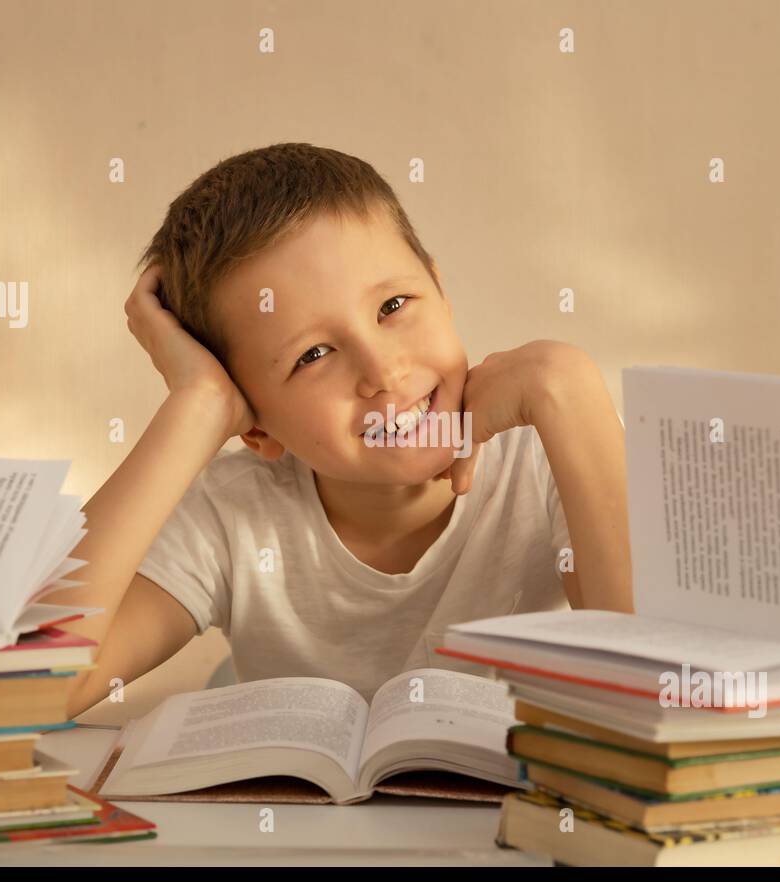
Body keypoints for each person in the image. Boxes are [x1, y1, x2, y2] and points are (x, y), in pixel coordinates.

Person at [59, 143, 630, 719]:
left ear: (441, 292)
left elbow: (671, 699)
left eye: (393, 305)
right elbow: (24, 694)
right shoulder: (232, 513)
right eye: (312, 354)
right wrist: (195, 406)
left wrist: (568, 388)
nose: (383, 372)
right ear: (254, 429)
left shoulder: (554, 453)